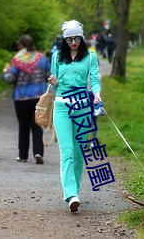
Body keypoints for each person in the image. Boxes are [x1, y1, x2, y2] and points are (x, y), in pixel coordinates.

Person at [48, 20, 101, 212]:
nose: (73, 42)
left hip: (83, 107)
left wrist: (96, 93)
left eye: (77, 38)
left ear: (82, 37)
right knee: (68, 152)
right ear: (64, 39)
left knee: (79, 153)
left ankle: (76, 190)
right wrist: (53, 81)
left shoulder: (90, 57)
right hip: (61, 107)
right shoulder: (56, 57)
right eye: (69, 39)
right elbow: (54, 86)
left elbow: (94, 79)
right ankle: (70, 194)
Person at [2, 34, 51, 164]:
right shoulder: (42, 59)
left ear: (21, 46)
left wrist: (5, 72)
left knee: (23, 127)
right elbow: (49, 76)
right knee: (37, 126)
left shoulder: (17, 60)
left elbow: (10, 79)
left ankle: (23, 155)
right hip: (38, 98)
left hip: (21, 98)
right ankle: (38, 152)